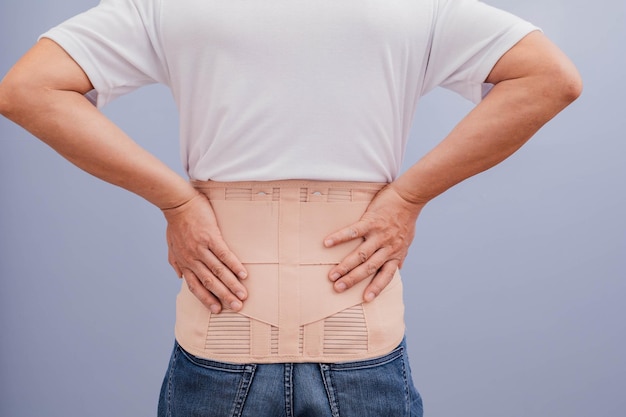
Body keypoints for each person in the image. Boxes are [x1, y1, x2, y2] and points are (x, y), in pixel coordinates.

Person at [0, 0, 581, 415]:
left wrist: (177, 201)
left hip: (222, 335)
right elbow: (550, 77)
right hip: (359, 345)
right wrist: (407, 196)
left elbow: (26, 87)